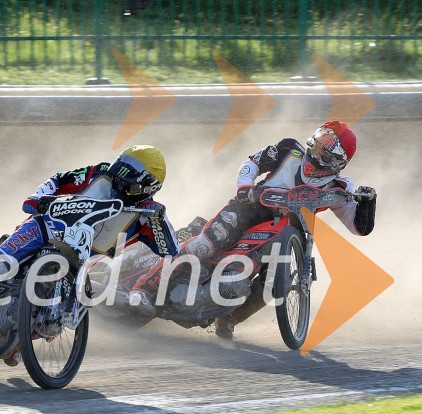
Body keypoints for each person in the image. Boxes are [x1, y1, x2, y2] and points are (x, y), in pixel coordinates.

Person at [0, 145, 181, 358]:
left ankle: (20, 338)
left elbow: (170, 248)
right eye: (121, 165)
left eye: (129, 171)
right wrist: (37, 198)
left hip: (80, 261)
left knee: (76, 302)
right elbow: (58, 180)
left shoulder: (147, 213)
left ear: (147, 184)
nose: (119, 174)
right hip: (44, 228)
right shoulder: (97, 173)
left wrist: (159, 217)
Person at [133, 120, 377, 339]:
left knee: (272, 285)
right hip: (247, 211)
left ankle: (227, 320)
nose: (316, 152)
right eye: (318, 143)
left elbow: (358, 227)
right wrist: (245, 187)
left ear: (337, 162)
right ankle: (144, 288)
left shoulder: (341, 187)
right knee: (203, 245)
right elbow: (251, 162)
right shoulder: (288, 150)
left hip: (284, 235)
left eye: (325, 149)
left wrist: (368, 202)